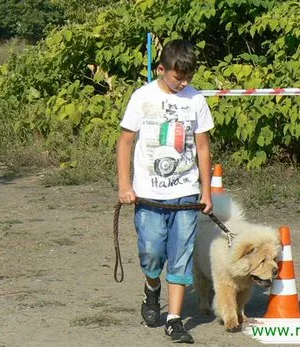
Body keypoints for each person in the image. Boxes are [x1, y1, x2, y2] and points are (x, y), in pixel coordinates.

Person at [116, 39, 213, 344]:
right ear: (161, 69)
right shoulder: (141, 98)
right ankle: (152, 289)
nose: (183, 83)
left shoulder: (195, 100)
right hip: (148, 195)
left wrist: (206, 192)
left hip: (185, 194)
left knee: (181, 257)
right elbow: (125, 142)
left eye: (188, 78)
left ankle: (174, 320)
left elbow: (202, 147)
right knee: (152, 254)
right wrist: (124, 185)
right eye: (177, 77)